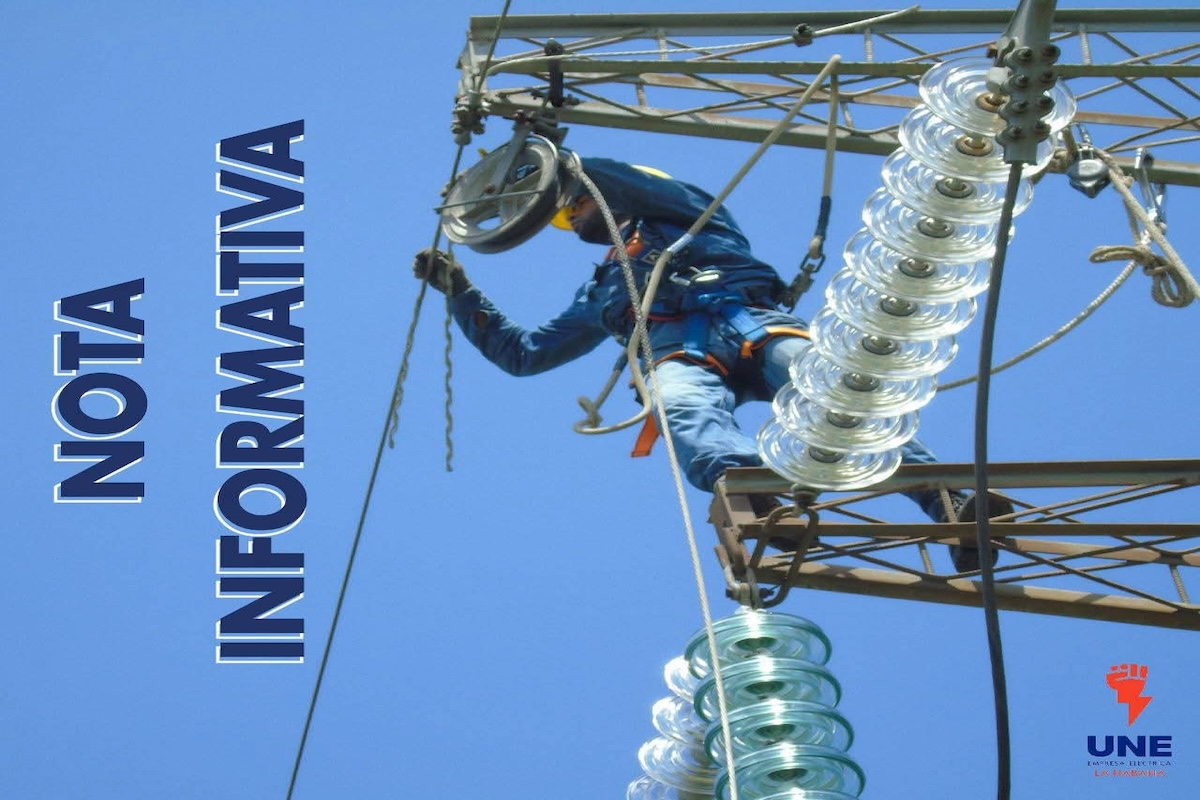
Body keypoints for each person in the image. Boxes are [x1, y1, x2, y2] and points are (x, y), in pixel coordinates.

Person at [415, 156, 1008, 568]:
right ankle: (754, 494)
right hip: (679, 355)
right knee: (678, 403)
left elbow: (616, 180)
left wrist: (557, 160)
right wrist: (461, 292)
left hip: (752, 324)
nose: (570, 218)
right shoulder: (601, 294)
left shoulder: (687, 218)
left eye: (570, 206)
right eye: (564, 214)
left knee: (832, 397)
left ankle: (947, 500)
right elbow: (527, 354)